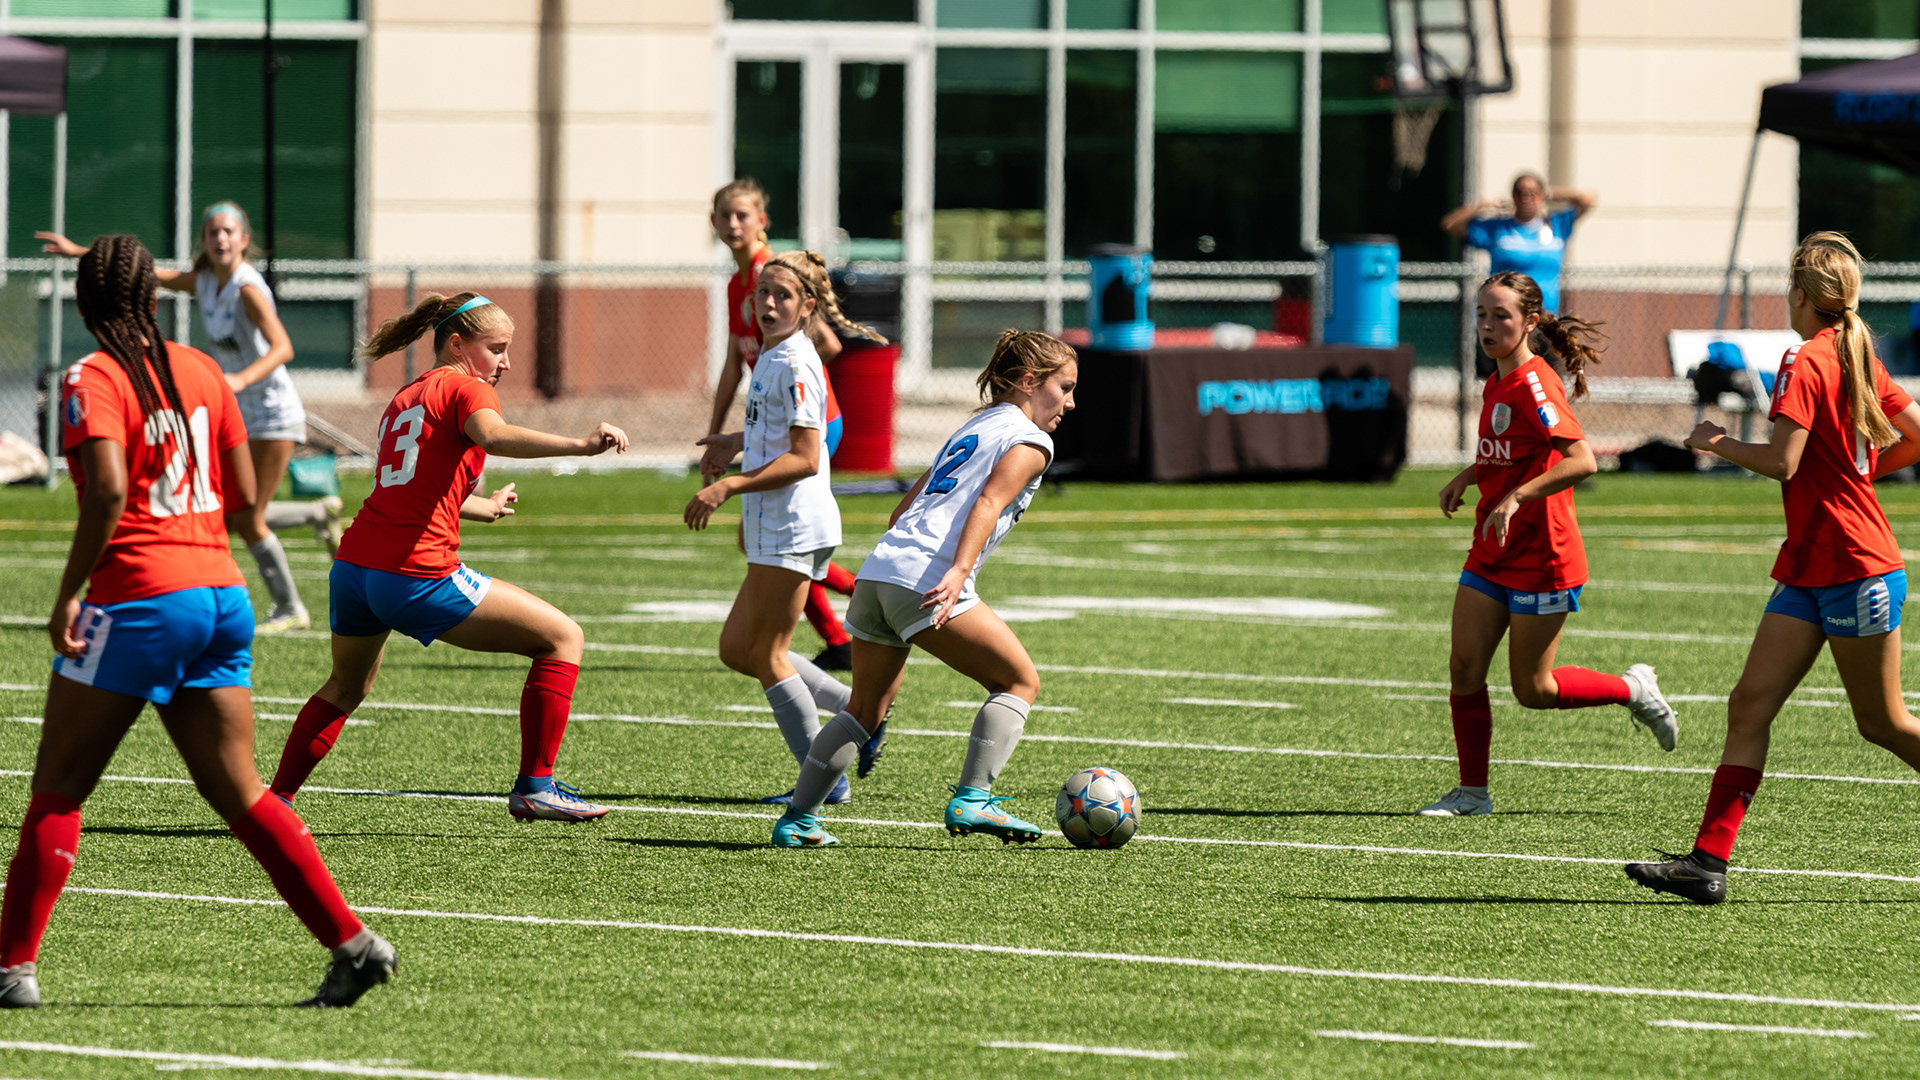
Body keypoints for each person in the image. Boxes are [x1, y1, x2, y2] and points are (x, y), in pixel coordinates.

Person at [1, 234, 392, 1009]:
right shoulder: (204, 370)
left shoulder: (91, 375)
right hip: (220, 595)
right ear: (155, 297)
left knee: (58, 792)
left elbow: (108, 489)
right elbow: (243, 497)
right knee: (243, 793)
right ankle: (353, 943)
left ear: (85, 303)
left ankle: (11, 971)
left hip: (140, 599)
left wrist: (69, 592)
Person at [1627, 233, 1920, 903]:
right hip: (1813, 564)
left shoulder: (1807, 358)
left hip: (1853, 564)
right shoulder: (1852, 351)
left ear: (1801, 296)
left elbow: (1783, 462)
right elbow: (1916, 438)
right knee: (1749, 704)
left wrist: (1716, 441)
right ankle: (1707, 863)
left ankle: (1706, 861)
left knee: (1882, 723)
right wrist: (1860, 478)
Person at [266, 293, 629, 823]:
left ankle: (275, 801)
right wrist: (579, 445)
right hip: (413, 573)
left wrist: (485, 506)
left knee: (345, 687)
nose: (505, 362)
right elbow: (494, 436)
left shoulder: (408, 394)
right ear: (458, 345)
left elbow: (413, 487)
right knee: (563, 638)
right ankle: (536, 787)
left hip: (354, 568)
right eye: (496, 349)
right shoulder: (467, 386)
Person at [770, 329, 1076, 849]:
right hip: (926, 576)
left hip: (879, 571)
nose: (1070, 403)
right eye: (1064, 388)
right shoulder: (1031, 440)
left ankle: (798, 819)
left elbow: (901, 511)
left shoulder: (974, 426)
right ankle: (973, 797)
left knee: (863, 711)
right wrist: (957, 571)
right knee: (1018, 681)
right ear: (1029, 382)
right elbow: (987, 503)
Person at [1422, 271, 1677, 818]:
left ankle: (1632, 688)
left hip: (1544, 558)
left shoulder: (1535, 384)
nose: (1487, 326)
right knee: (1464, 668)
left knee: (1533, 690)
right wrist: (1469, 477)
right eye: (1481, 315)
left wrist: (1517, 497)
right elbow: (1511, 453)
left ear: (1530, 322)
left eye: (1501, 316)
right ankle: (1472, 794)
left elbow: (1582, 460)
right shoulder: (1496, 381)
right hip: (1493, 549)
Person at [41, 203, 342, 635]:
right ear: (203, 240)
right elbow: (137, 272)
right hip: (238, 409)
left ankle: (290, 606)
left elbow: (283, 347)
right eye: (213, 232)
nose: (221, 238)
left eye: (229, 231)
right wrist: (81, 253)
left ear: (244, 239)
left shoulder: (246, 288)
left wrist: (238, 380)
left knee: (245, 517)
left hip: (272, 411)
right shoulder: (205, 281)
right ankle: (314, 515)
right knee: (232, 511)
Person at [688, 250, 889, 807]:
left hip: (793, 524)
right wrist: (734, 443)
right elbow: (778, 436)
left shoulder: (797, 361)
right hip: (774, 523)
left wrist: (728, 485)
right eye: (763, 293)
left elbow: (805, 457)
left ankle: (824, 781)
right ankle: (855, 709)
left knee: (770, 655)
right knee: (738, 648)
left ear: (807, 307)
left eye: (783, 295)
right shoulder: (774, 356)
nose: (769, 303)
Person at [708, 180, 862, 670]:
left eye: (742, 215)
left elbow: (828, 345)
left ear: (762, 221)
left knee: (775, 541)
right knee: (761, 541)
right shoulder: (739, 283)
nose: (733, 224)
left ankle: (860, 602)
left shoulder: (772, 275)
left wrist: (793, 386)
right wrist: (720, 435)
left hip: (813, 421)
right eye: (724, 215)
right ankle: (839, 637)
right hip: (776, 421)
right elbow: (733, 363)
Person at [1442, 173, 1597, 315]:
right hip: (1504, 316)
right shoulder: (1498, 228)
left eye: (1532, 192)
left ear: (1541, 195)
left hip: (1544, 317)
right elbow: (1450, 224)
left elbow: (1588, 199)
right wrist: (1482, 204)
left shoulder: (1556, 225)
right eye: (1520, 192)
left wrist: (1549, 193)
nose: (1526, 197)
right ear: (1513, 196)